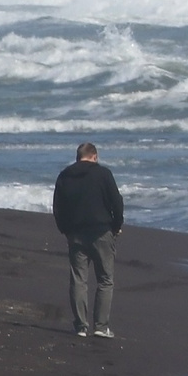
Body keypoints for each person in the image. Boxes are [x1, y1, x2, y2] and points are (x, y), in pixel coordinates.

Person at [53, 142, 125, 338]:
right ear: (94, 156)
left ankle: (81, 326)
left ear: (78, 157)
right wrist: (117, 225)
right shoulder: (103, 174)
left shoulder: (65, 175)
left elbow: (58, 207)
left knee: (79, 279)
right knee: (105, 279)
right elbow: (116, 202)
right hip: (101, 231)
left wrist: (65, 229)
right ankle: (101, 326)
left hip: (75, 233)